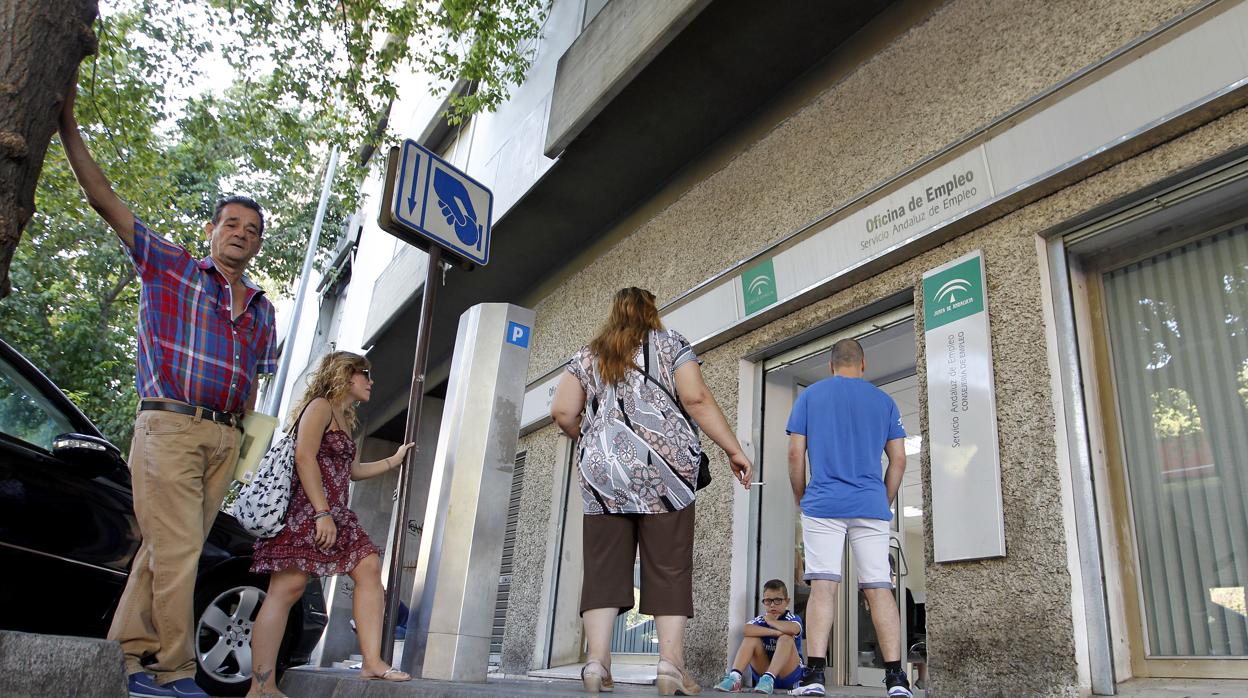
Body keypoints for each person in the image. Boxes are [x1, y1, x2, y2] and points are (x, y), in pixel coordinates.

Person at [59, 82, 279, 698]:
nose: (240, 233)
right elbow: (106, 200)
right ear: (212, 231)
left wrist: (242, 453)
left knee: (164, 553)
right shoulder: (170, 267)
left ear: (259, 243)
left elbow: (255, 387)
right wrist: (70, 129)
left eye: (252, 229)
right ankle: (175, 672)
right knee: (181, 553)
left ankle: (125, 658)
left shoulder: (262, 311)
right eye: (231, 223)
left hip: (223, 440)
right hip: (168, 427)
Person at [550, 287, 753, 696]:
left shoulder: (588, 355)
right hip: (666, 469)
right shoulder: (670, 343)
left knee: (604, 567)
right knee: (669, 565)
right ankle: (670, 665)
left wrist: (594, 444)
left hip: (603, 472)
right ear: (651, 312)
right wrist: (733, 449)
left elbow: (562, 411)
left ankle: (596, 663)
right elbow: (694, 398)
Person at [245, 351, 415, 697]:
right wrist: (322, 513)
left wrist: (392, 460)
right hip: (308, 511)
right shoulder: (320, 406)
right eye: (364, 374)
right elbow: (304, 456)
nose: (370, 382)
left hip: (336, 513)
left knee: (368, 566)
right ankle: (260, 687)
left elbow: (349, 472)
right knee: (286, 590)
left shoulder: (343, 415)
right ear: (345, 374)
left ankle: (372, 662)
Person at [786, 338, 912, 698]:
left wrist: (802, 497)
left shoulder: (809, 397)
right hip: (870, 505)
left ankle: (813, 676)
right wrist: (881, 499)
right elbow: (899, 460)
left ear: (830, 366)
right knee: (878, 587)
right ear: (863, 365)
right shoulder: (884, 402)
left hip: (823, 504)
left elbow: (795, 454)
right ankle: (896, 679)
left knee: (823, 586)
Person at [714, 579, 804, 694]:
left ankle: (770, 677)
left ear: (787, 602)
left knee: (786, 637)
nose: (772, 605)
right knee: (751, 638)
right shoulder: (761, 619)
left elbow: (793, 629)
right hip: (763, 679)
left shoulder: (792, 618)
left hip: (789, 675)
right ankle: (734, 677)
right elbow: (746, 630)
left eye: (778, 600)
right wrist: (775, 632)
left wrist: (772, 622)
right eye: (768, 601)